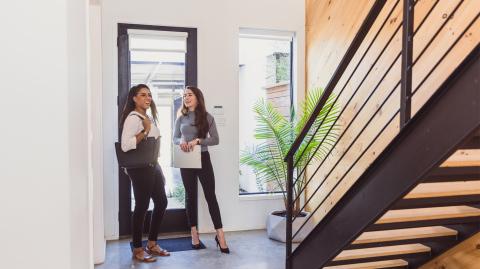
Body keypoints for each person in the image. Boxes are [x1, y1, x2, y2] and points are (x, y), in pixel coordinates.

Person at [173, 86, 230, 254]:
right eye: (184, 96)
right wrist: (180, 141)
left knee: (210, 196)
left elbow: (216, 140)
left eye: (189, 95)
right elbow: (174, 137)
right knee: (190, 196)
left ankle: (220, 235)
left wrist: (198, 141)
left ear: (198, 97)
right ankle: (194, 233)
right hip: (186, 160)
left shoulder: (207, 117)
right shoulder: (180, 118)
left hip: (203, 159)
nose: (186, 98)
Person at [120, 84, 170, 262]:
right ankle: (137, 249)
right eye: (143, 95)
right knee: (141, 206)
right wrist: (145, 130)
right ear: (134, 98)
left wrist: (159, 169)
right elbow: (125, 145)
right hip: (141, 169)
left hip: (152, 165)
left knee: (162, 202)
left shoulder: (146, 116)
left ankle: (152, 243)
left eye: (149, 95)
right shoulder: (133, 118)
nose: (148, 98)